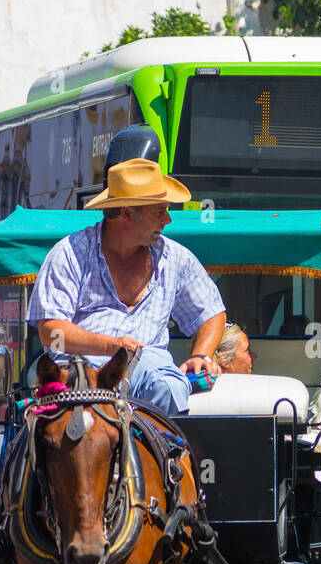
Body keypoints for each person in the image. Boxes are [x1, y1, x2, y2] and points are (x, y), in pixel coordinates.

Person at [28, 131, 226, 416]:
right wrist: (113, 347)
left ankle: (170, 458)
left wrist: (202, 354)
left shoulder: (176, 258)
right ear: (127, 214)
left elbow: (211, 312)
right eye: (159, 211)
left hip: (149, 372)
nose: (168, 219)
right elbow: (51, 333)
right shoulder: (70, 253)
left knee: (167, 386)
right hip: (78, 373)